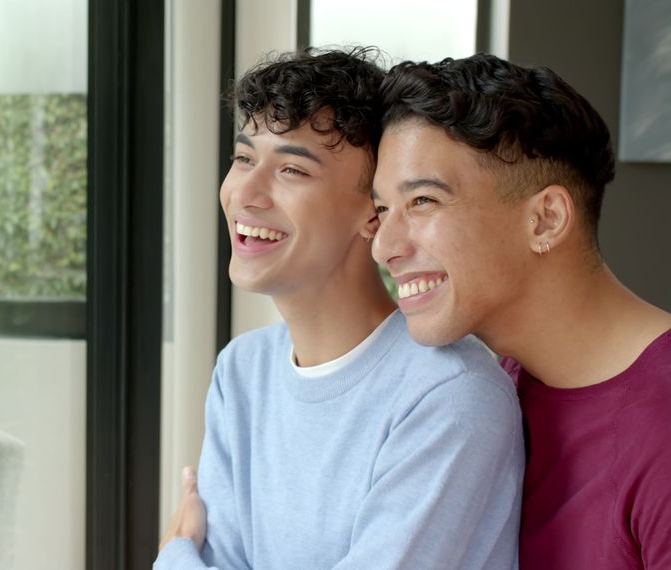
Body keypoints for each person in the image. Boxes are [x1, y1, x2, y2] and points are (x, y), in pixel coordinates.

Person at [154, 47, 524, 569]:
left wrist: (173, 557)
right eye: (243, 159)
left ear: (373, 214)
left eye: (292, 170)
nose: (246, 194)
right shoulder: (242, 372)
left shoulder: (451, 395)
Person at [371, 53, 671, 569]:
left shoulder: (661, 428)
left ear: (546, 220)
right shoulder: (480, 395)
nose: (384, 246)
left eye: (422, 201)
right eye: (381, 210)